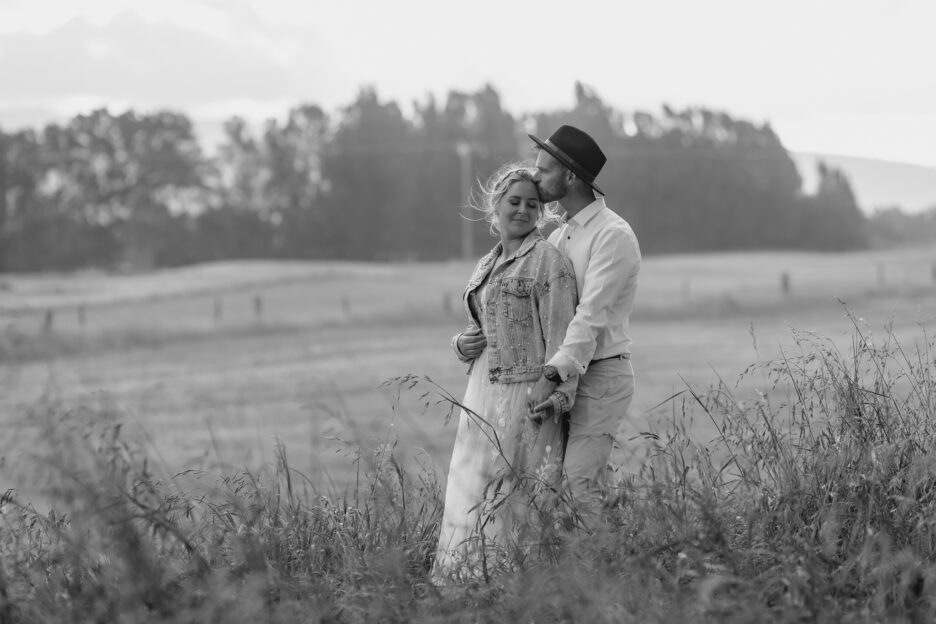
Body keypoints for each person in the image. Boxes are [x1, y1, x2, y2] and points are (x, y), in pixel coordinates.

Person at [432, 163, 578, 583]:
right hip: (481, 390)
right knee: (474, 486)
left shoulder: (549, 261)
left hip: (525, 394)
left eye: (532, 204)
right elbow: (483, 325)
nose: (523, 210)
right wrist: (460, 344)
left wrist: (555, 393)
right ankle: (473, 579)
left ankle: (520, 587)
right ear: (495, 209)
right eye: (514, 202)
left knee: (519, 494)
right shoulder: (488, 262)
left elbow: (561, 335)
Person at [526, 125, 641, 532]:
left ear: (570, 177)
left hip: (602, 374)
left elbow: (589, 317)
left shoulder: (613, 236)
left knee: (579, 482)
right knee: (555, 485)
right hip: (568, 377)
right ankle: (602, 562)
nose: (535, 177)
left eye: (543, 170)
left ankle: (602, 578)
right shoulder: (561, 236)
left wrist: (552, 373)